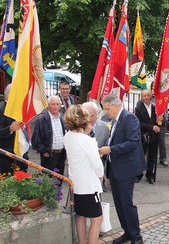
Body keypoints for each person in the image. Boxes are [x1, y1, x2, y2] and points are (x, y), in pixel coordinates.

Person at [99, 93, 145, 244]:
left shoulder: (129, 118)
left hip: (126, 168)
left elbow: (133, 142)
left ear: (115, 105)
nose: (106, 112)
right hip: (115, 167)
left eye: (107, 109)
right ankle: (128, 232)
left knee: (126, 203)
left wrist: (110, 149)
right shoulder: (116, 120)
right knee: (119, 203)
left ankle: (137, 237)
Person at [63, 105, 104, 244]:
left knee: (80, 216)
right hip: (89, 186)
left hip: (75, 184)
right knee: (97, 219)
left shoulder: (67, 136)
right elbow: (98, 166)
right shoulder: (87, 140)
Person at [32, 96, 66, 178]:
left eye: (57, 104)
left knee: (59, 180)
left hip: (61, 155)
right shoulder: (42, 120)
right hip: (48, 156)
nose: (55, 106)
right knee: (47, 181)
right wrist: (44, 151)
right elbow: (36, 139)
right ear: (48, 105)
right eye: (53, 104)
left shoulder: (63, 118)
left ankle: (58, 191)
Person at [82, 101, 110, 191]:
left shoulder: (105, 127)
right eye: (87, 116)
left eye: (92, 116)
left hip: (99, 165)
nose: (89, 119)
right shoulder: (78, 128)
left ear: (97, 114)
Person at [135, 89, 160, 184]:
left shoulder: (155, 107)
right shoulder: (138, 108)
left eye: (148, 95)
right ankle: (138, 174)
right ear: (141, 97)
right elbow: (139, 123)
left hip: (154, 136)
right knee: (141, 155)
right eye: (144, 95)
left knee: (152, 156)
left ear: (151, 96)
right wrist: (151, 127)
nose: (146, 97)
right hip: (143, 135)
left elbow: (159, 122)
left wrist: (160, 121)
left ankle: (150, 174)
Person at [0, 84, 21, 174]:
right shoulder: (1, 109)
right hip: (6, 157)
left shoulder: (18, 108)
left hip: (20, 154)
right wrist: (10, 129)